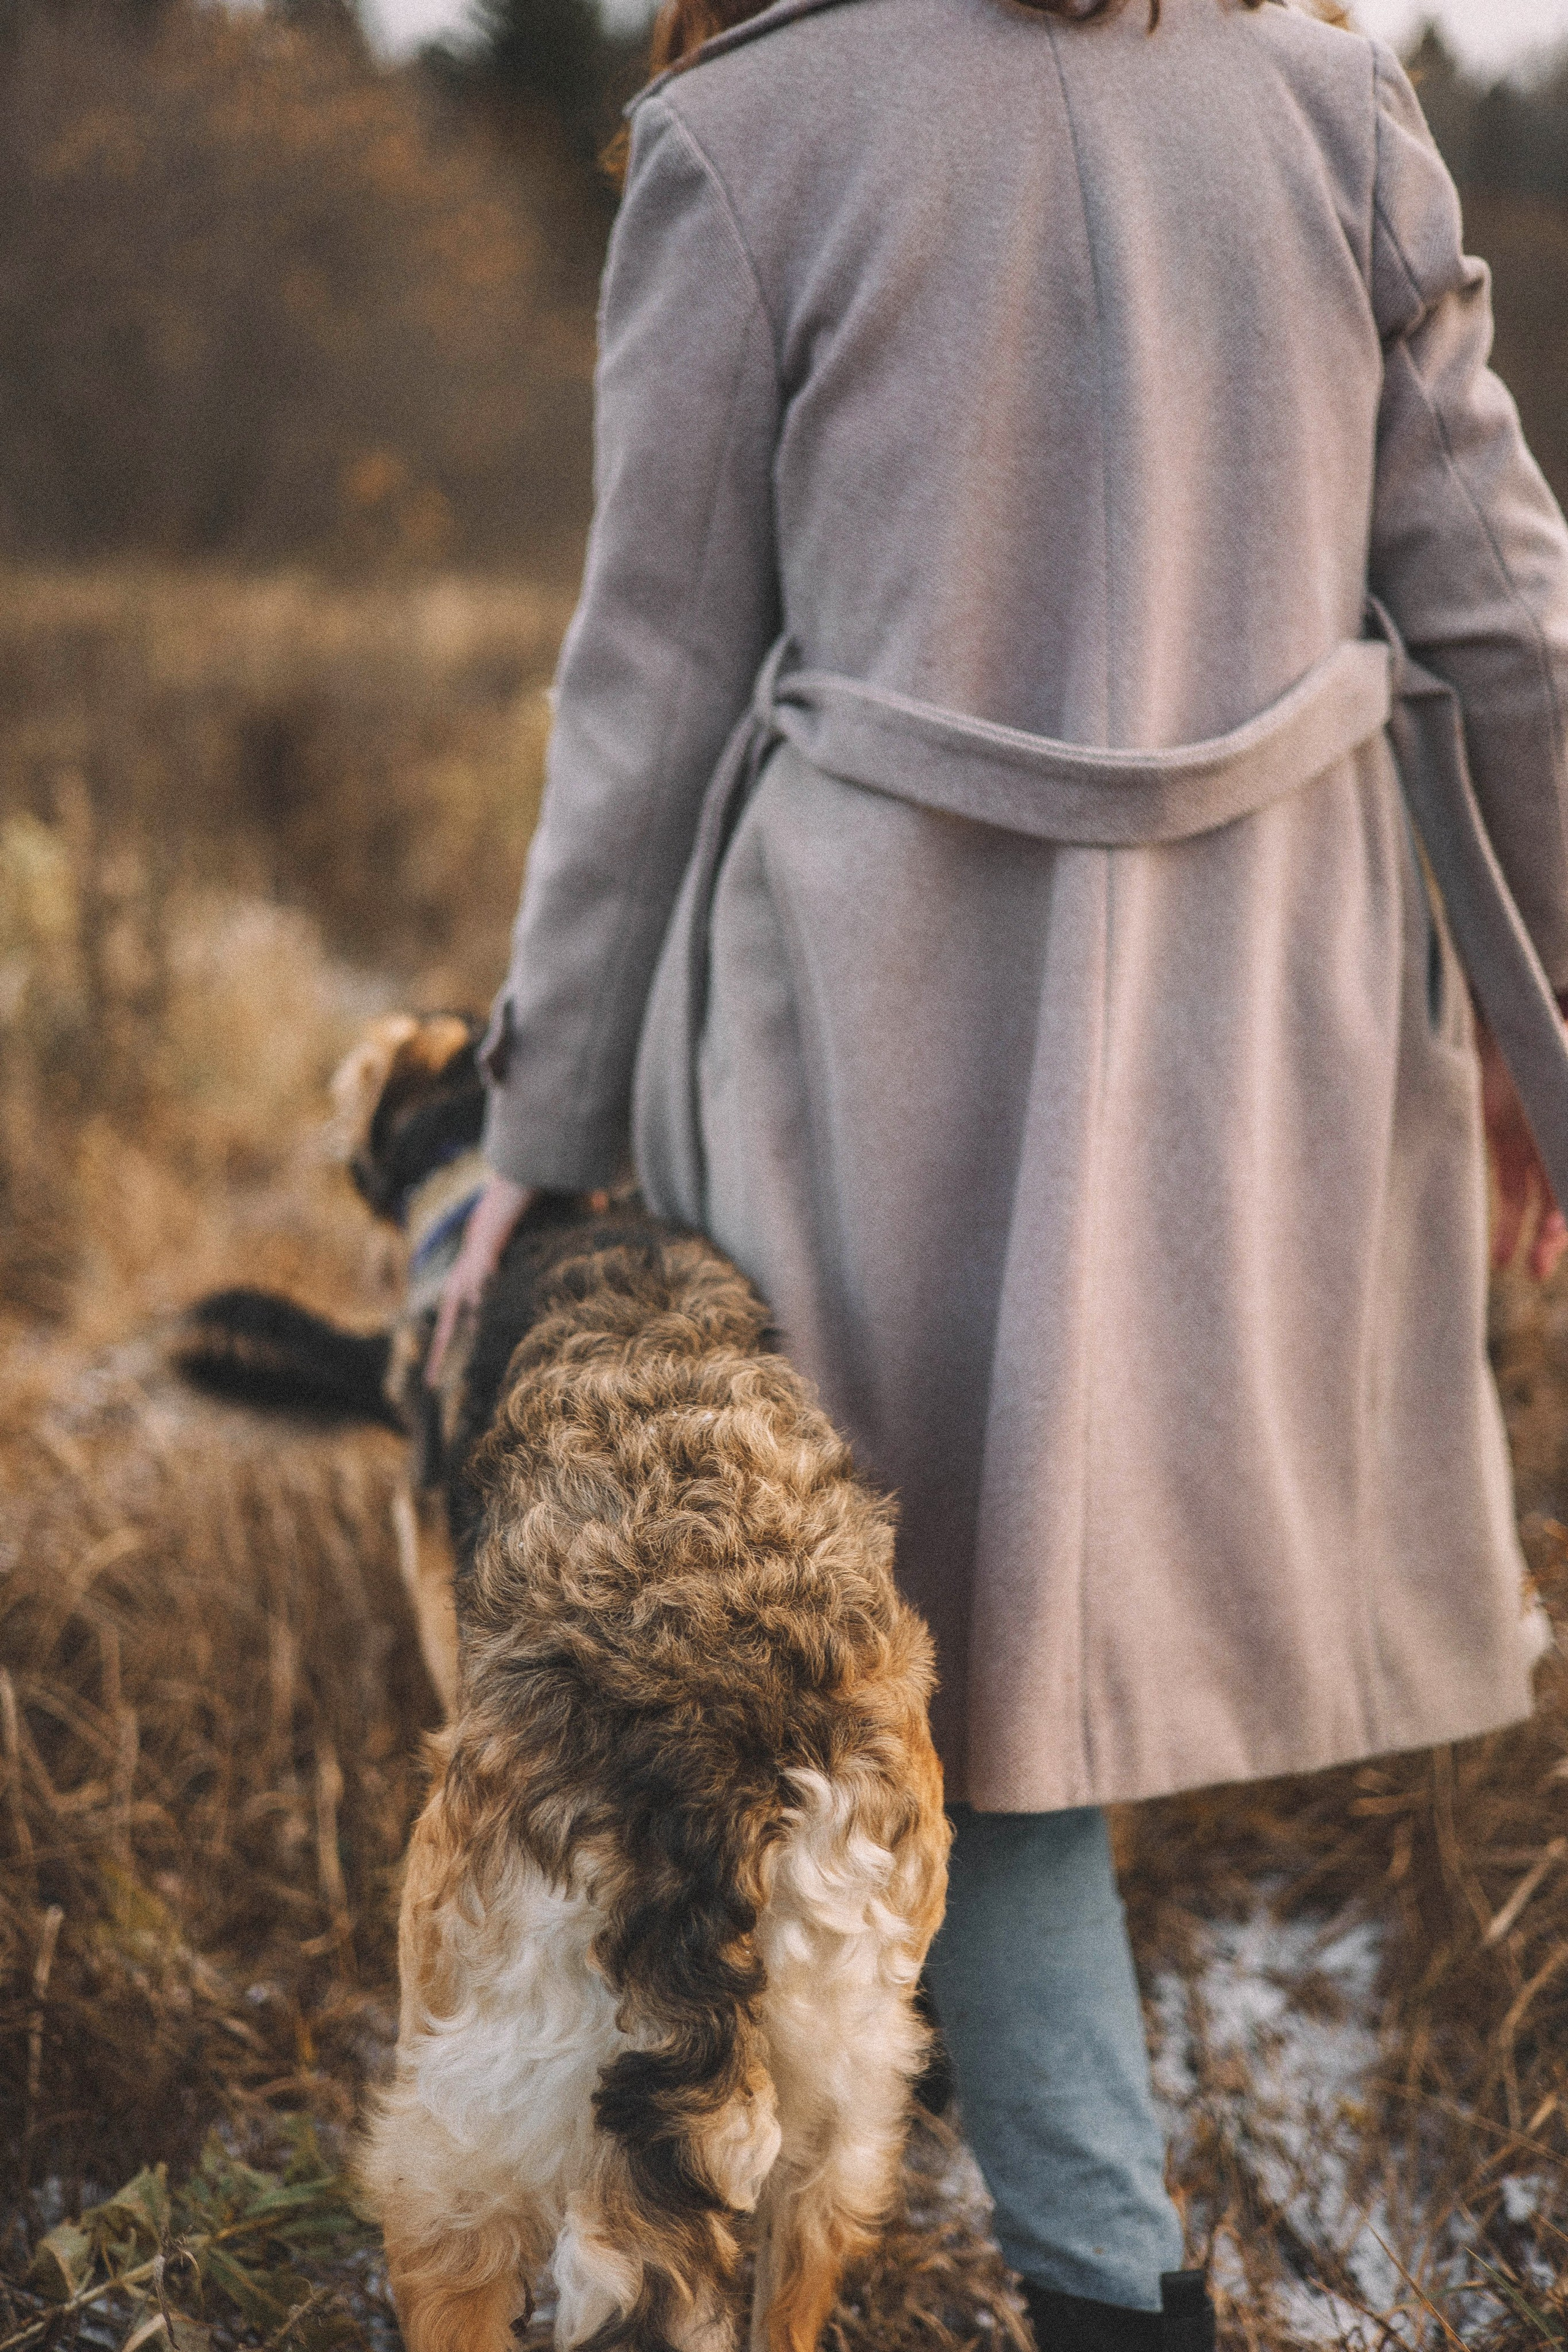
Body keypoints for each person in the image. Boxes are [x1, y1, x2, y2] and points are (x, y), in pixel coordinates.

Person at [429, 0, 1568, 2343]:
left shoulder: (744, 135)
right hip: (1261, 1019)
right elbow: (1514, 625)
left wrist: (537, 1144)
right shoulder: (1334, 113)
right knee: (998, 1683)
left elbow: (649, 682)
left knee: (942, 1678)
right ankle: (1049, 2227)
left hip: (875, 1036)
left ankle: (1092, 2279)